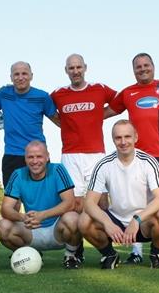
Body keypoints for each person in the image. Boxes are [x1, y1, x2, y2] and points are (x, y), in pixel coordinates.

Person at [106, 53, 159, 263]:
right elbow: (107, 112)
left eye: (146, 65)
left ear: (153, 66)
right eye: (138, 67)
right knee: (136, 203)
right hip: (136, 159)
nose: (142, 69)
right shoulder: (128, 93)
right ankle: (136, 252)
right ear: (133, 70)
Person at [78, 120, 159, 269]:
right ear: (113, 140)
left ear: (135, 137)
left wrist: (137, 220)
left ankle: (156, 255)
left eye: (127, 137)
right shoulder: (103, 165)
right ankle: (110, 255)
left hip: (143, 222)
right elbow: (89, 203)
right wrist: (107, 223)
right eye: (118, 138)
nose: (123, 142)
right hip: (116, 221)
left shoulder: (149, 162)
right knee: (84, 220)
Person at [0, 141, 83, 269]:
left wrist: (43, 215)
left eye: (39, 156)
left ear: (47, 157)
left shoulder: (57, 169)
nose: (35, 161)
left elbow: (70, 203)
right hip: (31, 229)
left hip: (57, 229)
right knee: (3, 227)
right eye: (30, 157)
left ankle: (70, 255)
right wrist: (23, 217)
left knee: (73, 218)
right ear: (25, 159)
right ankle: (32, 255)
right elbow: (5, 209)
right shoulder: (18, 174)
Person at [50, 54, 117, 211]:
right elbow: (45, 108)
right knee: (75, 204)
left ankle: (105, 235)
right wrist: (63, 122)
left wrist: (100, 115)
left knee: (101, 201)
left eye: (78, 67)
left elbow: (121, 101)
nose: (75, 71)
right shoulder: (58, 94)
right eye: (71, 68)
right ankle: (78, 235)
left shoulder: (99, 89)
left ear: (85, 67)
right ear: (66, 70)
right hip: (70, 155)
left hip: (96, 153)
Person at [0, 61, 58, 186]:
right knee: (12, 200)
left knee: (42, 197)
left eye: (24, 73)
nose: (20, 77)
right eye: (16, 74)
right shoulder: (4, 94)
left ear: (31, 76)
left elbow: (59, 121)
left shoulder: (42, 96)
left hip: (37, 154)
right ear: (11, 77)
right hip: (12, 154)